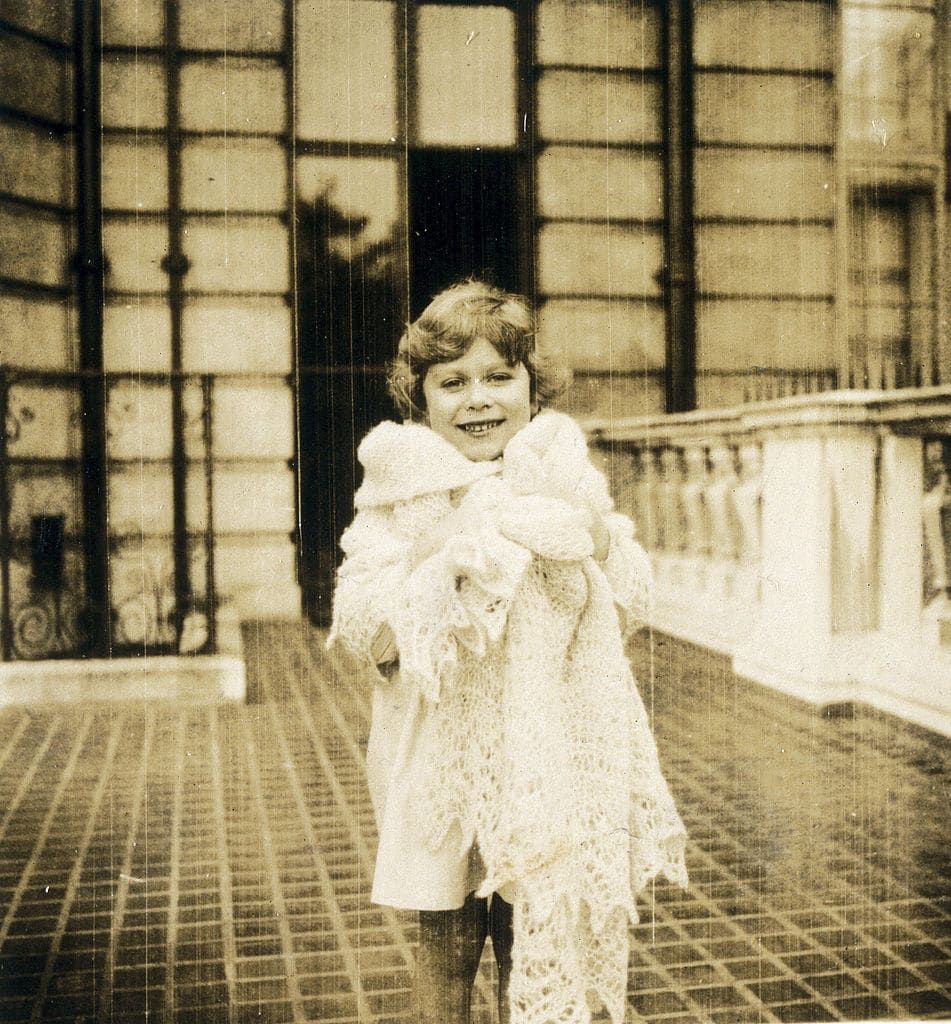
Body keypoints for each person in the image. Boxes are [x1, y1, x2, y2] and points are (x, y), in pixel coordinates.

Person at [327, 281, 687, 1024]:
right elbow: (367, 631)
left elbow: (625, 602)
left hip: (543, 749)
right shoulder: (400, 491)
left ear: (531, 385)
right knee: (447, 947)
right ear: (421, 398)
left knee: (531, 934)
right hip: (438, 760)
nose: (478, 400)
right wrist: (444, 549)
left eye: (498, 376)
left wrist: (592, 537)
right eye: (452, 382)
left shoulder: (560, 480)